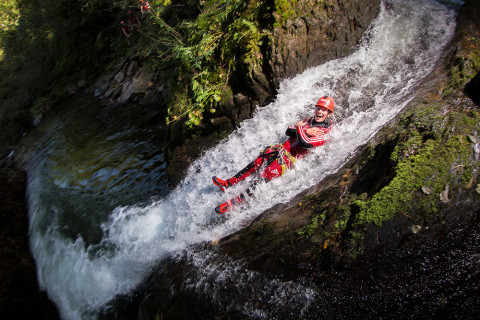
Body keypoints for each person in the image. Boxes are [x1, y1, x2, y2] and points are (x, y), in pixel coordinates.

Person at [212, 96, 335, 214]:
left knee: (261, 179)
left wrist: (300, 129)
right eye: (318, 108)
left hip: (286, 161)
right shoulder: (308, 120)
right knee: (255, 164)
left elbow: (305, 143)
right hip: (279, 150)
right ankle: (227, 183)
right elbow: (288, 131)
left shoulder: (324, 132)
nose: (319, 111)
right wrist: (302, 130)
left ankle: (232, 204)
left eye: (323, 110)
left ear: (329, 113)